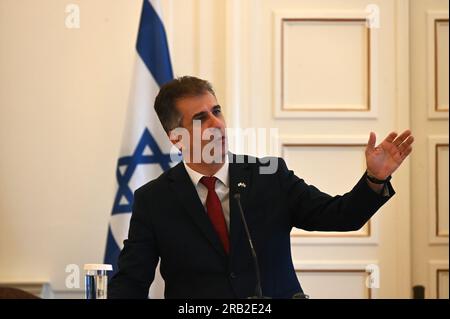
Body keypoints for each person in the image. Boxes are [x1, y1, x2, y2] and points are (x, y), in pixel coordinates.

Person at [108, 76, 414, 299]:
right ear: (176, 137)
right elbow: (131, 282)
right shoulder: (154, 200)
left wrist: (375, 179)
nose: (217, 124)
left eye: (217, 111)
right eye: (201, 118)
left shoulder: (268, 175)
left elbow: (341, 216)